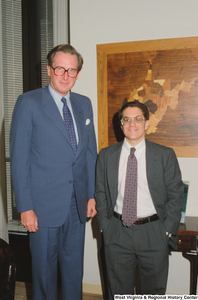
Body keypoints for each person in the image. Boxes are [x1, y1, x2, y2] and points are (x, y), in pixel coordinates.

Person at [10, 44, 97, 300]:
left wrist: (91, 195)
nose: (65, 75)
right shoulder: (28, 102)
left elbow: (89, 153)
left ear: (78, 73)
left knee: (73, 273)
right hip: (42, 206)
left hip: (77, 204)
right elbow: (19, 160)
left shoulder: (84, 104)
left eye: (72, 70)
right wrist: (25, 207)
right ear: (49, 70)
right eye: (60, 68)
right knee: (44, 275)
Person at [95, 101, 183, 298]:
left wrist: (167, 229)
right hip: (117, 231)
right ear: (121, 124)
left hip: (154, 231)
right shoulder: (106, 156)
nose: (132, 124)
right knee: (118, 292)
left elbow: (176, 195)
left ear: (146, 124)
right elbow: (100, 192)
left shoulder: (164, 155)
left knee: (154, 292)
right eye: (127, 119)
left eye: (138, 119)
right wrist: (105, 227)